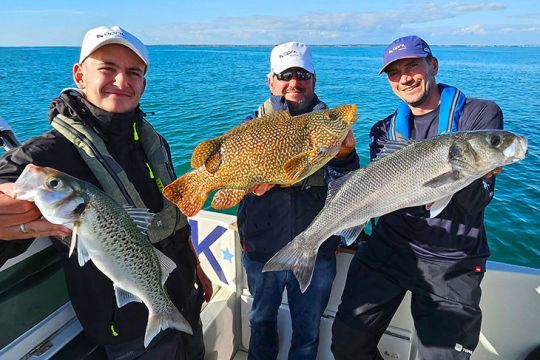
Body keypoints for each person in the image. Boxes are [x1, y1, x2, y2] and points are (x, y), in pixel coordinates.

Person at [0, 25, 212, 360]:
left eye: (133, 72)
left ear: (143, 82)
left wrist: (196, 266)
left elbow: (173, 214)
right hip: (128, 326)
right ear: (79, 74)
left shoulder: (151, 139)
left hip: (184, 296)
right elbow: (8, 193)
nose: (121, 81)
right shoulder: (44, 155)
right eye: (107, 69)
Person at [331, 35, 503, 360]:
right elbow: (378, 190)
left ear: (432, 65)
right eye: (395, 73)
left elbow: (474, 203)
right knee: (346, 343)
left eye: (412, 66)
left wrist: (464, 172)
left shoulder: (479, 118)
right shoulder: (383, 131)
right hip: (389, 249)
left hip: (453, 261)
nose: (405, 78)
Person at [237, 42, 360, 360]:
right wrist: (250, 184)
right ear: (271, 81)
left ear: (314, 80)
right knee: (260, 322)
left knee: (307, 331)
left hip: (316, 252)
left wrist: (345, 157)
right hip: (263, 250)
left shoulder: (331, 126)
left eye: (302, 74)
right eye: (285, 74)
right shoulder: (252, 125)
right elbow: (237, 181)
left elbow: (347, 190)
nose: (294, 82)